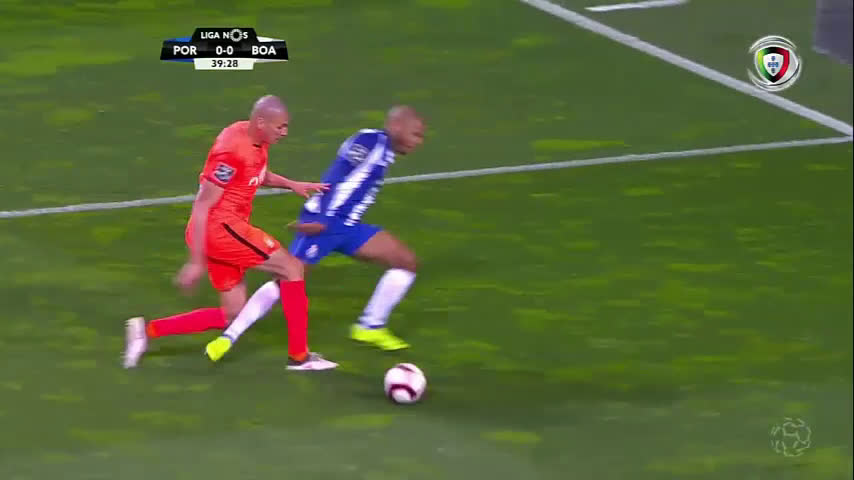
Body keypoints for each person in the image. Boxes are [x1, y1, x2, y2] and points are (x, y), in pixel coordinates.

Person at [123, 95, 338, 372]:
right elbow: (202, 205)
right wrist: (196, 262)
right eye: (280, 127)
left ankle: (146, 331)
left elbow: (258, 173)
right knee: (292, 268)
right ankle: (299, 356)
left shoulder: (255, 138)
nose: (285, 133)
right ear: (261, 123)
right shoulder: (231, 153)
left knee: (232, 314)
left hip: (223, 230)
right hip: (221, 230)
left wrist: (291, 184)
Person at [204, 105, 425, 361]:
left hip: (348, 225)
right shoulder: (369, 142)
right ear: (397, 126)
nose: (418, 141)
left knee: (405, 261)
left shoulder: (384, 150)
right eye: (415, 134)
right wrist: (321, 218)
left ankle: (370, 326)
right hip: (325, 224)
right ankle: (229, 337)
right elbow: (338, 175)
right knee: (287, 278)